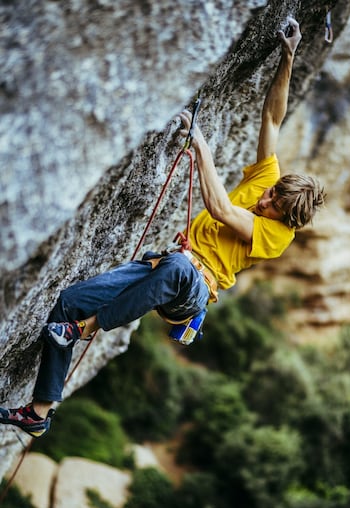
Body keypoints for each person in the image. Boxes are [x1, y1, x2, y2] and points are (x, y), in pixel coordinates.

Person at [0, 18, 325, 438]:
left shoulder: (277, 237)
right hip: (167, 265)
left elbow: (222, 209)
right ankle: (40, 412)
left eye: (272, 206)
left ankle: (83, 331)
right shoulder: (268, 183)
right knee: (70, 299)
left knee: (179, 271)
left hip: (193, 288)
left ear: (286, 218)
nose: (263, 200)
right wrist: (288, 56)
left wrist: (201, 143)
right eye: (269, 194)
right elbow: (272, 119)